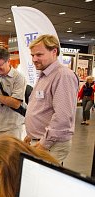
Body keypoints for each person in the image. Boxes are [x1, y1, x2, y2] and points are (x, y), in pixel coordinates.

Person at [24, 34, 78, 164]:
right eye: (32, 55)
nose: (34, 59)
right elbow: (42, 107)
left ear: (54, 51)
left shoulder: (62, 76)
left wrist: (44, 143)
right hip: (40, 140)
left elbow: (62, 117)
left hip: (50, 144)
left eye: (39, 55)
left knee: (43, 182)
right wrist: (31, 135)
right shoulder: (45, 75)